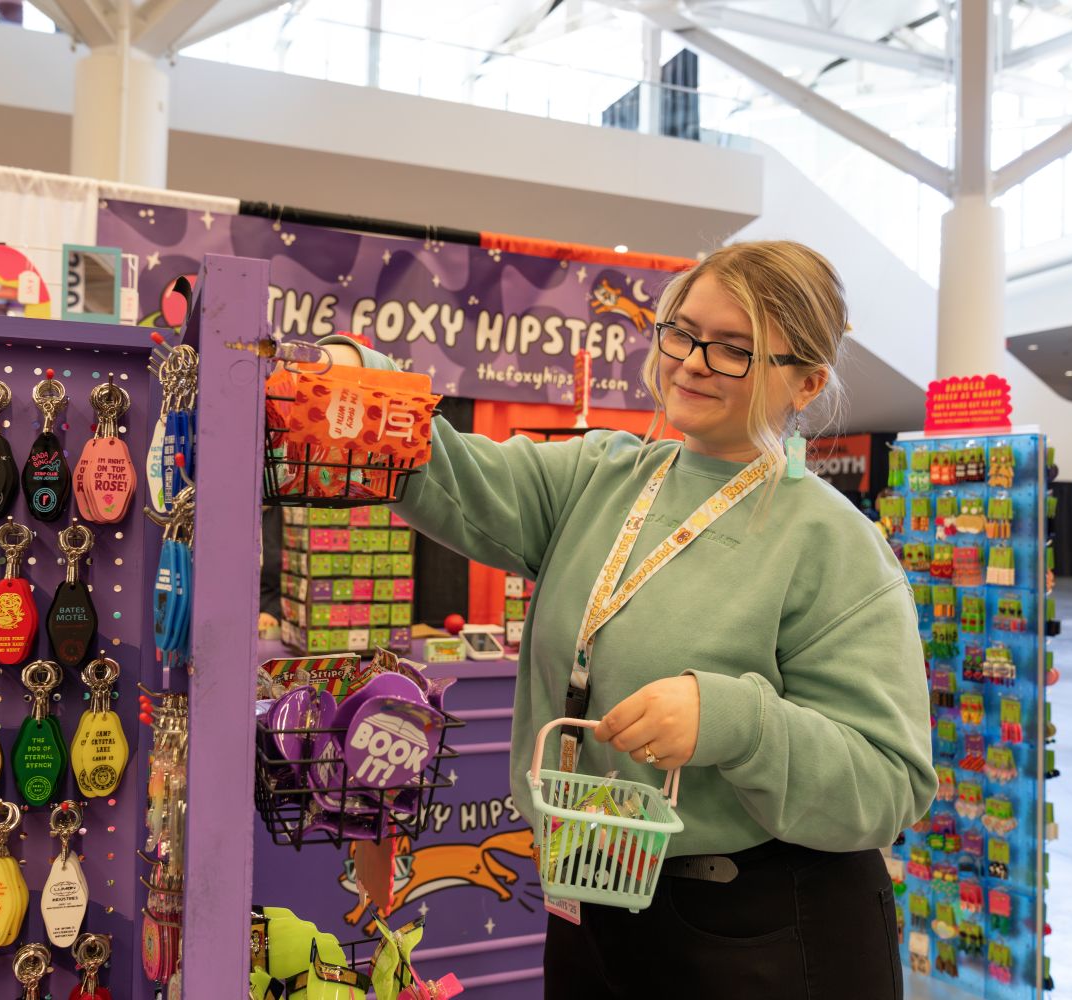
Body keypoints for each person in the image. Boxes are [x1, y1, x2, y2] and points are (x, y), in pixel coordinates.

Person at [318, 242, 935, 997]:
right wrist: (360, 375)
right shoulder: (601, 476)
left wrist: (735, 721)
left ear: (805, 382)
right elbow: (448, 469)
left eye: (736, 350)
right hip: (590, 903)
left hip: (763, 929)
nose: (694, 362)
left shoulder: (833, 543)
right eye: (682, 331)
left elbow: (889, 783)